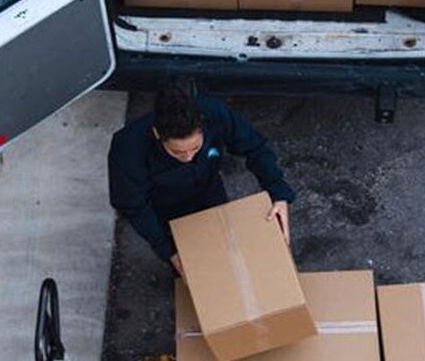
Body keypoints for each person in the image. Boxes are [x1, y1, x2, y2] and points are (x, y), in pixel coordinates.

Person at [108, 85, 295, 276]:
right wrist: (169, 251)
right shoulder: (128, 149)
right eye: (177, 152)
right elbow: (133, 205)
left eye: (196, 148)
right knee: (188, 268)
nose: (189, 157)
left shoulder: (215, 114)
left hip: (209, 190)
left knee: (224, 250)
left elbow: (255, 147)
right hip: (164, 207)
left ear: (203, 126)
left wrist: (278, 192)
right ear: (158, 135)